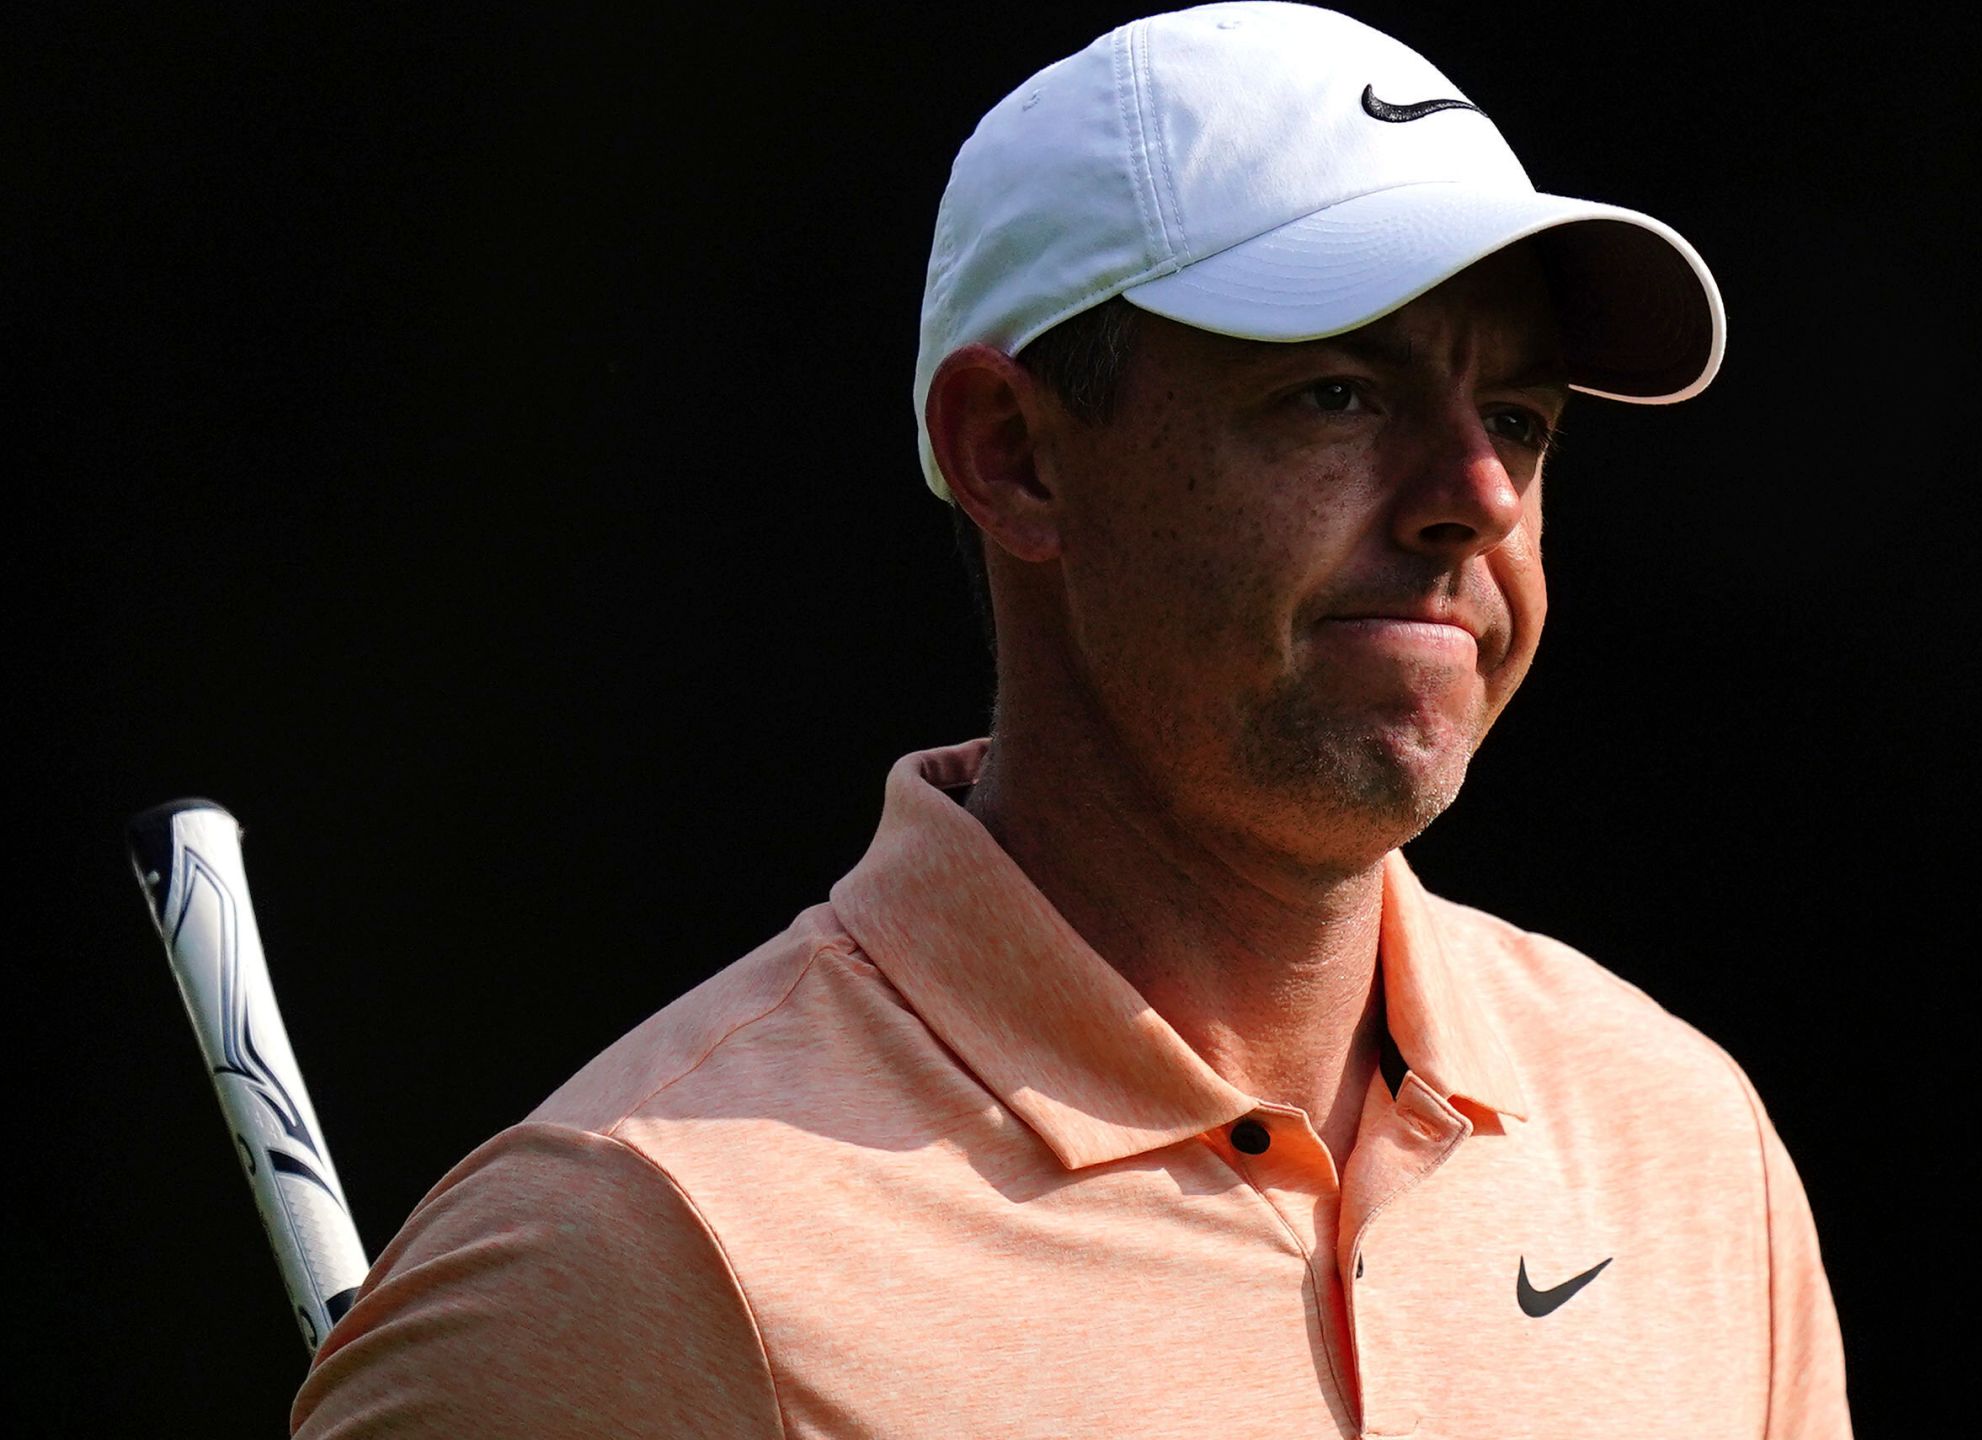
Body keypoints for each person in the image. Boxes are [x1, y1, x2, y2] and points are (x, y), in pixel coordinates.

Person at [290, 4, 1849, 1435]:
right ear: (1016, 457)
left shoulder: (1681, 1148)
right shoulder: (630, 1251)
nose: (1478, 499)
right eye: (1337, 395)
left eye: (1516, 419)